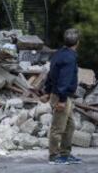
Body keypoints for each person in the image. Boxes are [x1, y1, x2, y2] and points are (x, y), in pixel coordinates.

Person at [40, 28, 82, 165]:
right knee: (58, 127)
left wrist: (47, 91)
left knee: (70, 126)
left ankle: (65, 154)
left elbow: (51, 74)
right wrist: (62, 100)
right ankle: (54, 156)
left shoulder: (58, 54)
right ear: (78, 43)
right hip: (61, 96)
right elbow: (64, 80)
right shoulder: (70, 57)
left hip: (60, 95)